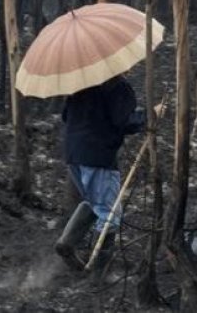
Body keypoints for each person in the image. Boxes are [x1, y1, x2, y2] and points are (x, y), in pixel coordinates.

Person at [54, 74, 144, 271]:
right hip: (97, 156)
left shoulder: (82, 82)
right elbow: (126, 121)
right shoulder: (117, 85)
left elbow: (65, 116)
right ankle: (100, 270)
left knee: (94, 201)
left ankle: (67, 242)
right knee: (110, 212)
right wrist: (148, 116)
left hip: (73, 154)